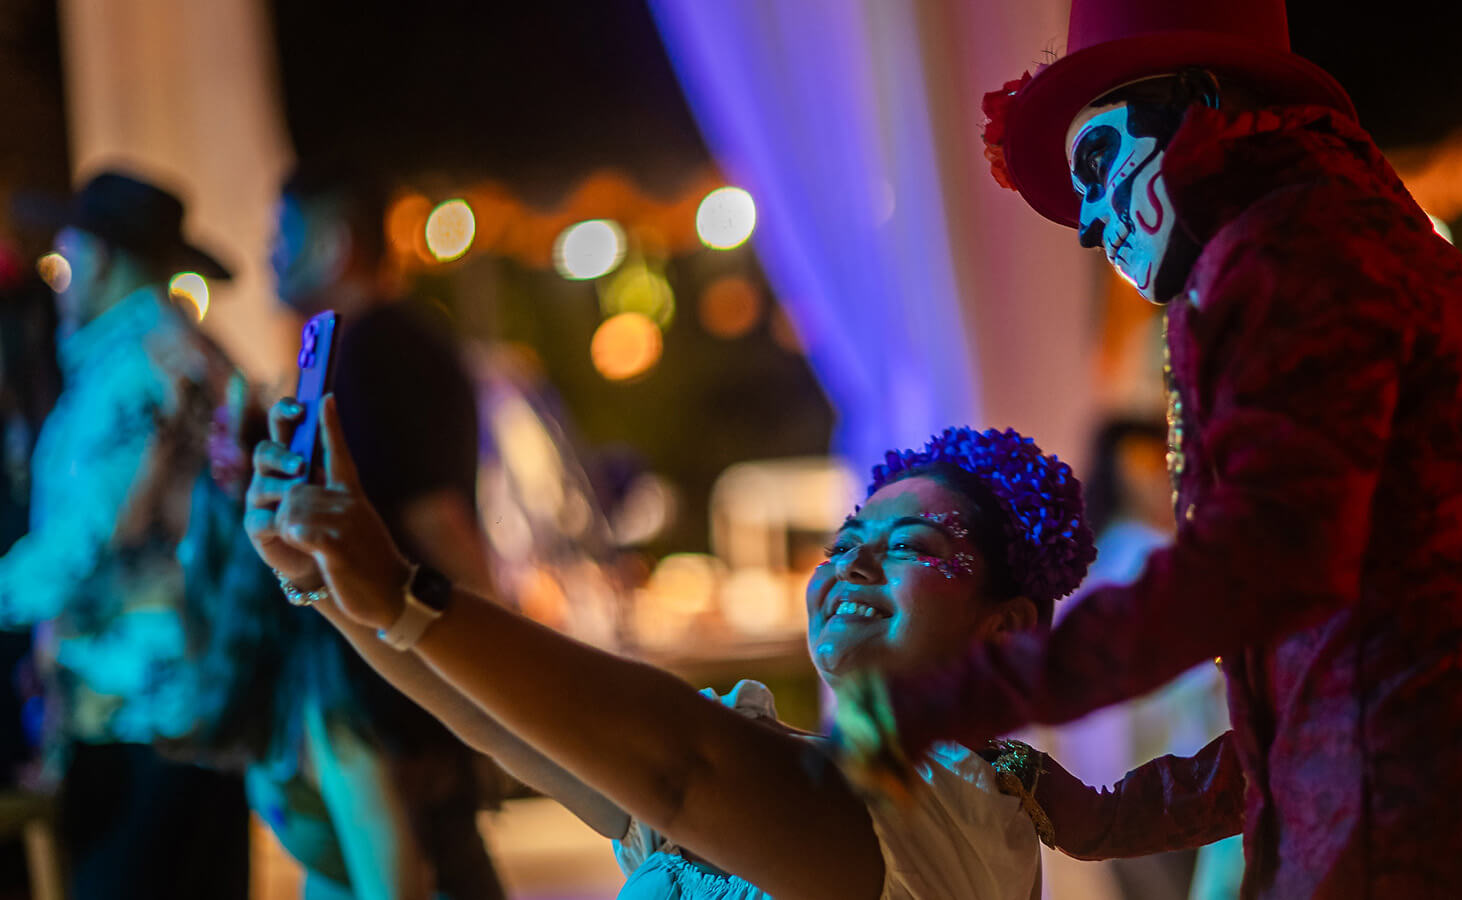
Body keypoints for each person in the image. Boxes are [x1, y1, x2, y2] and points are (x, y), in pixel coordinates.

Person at [834, 0, 1462, 895]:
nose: (1088, 223)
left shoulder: (1285, 254)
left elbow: (1264, 565)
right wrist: (1114, 816)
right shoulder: (1391, 254)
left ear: (1199, 103)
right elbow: (1356, 680)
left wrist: (952, 694)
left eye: (1097, 162)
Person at [246, 410, 1089, 899]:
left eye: (907, 547)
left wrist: (401, 593)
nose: (853, 565)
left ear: (1007, 629)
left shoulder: (956, 810)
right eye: (844, 541)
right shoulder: (791, 763)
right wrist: (320, 578)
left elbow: (683, 771)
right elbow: (492, 721)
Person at [249, 161, 504, 899]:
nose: (270, 255)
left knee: (424, 867)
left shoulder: (383, 349)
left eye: (285, 236)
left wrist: (497, 665)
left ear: (336, 246)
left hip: (398, 676)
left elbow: (437, 517)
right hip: (388, 660)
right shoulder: (368, 346)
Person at [0, 170, 249, 900]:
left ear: (100, 256)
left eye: (67, 255)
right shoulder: (189, 352)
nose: (60, 279)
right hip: (194, 702)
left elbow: (83, 543)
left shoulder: (137, 368)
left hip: (143, 713)